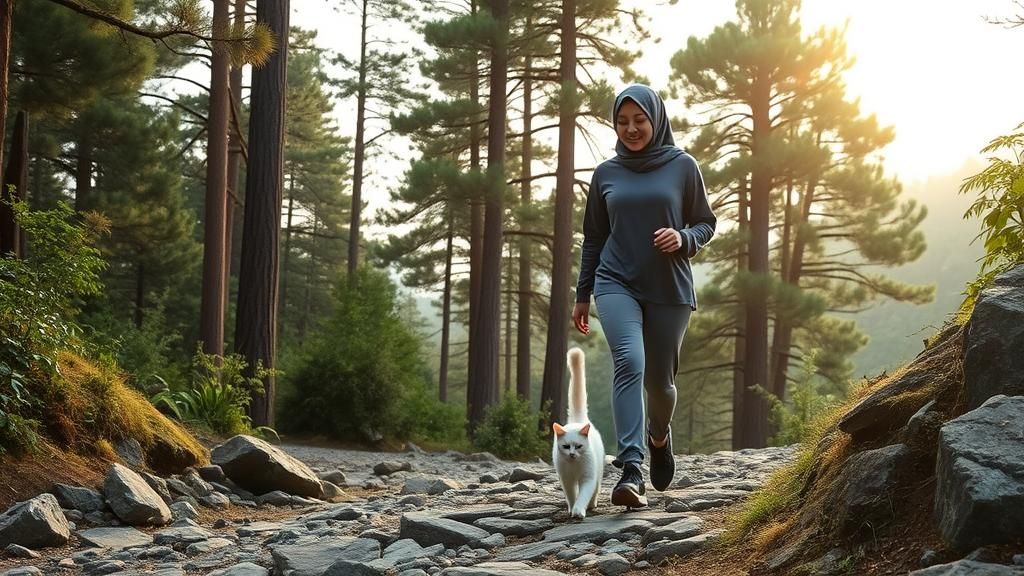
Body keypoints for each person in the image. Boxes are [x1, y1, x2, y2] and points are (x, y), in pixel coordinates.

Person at [572, 84, 716, 508]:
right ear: (615, 124)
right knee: (629, 363)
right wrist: (583, 293)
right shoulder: (606, 173)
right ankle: (631, 467)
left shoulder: (683, 166)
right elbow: (594, 238)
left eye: (639, 120)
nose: (631, 128)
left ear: (656, 119)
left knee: (661, 384)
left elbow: (705, 222)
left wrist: (684, 237)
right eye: (622, 121)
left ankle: (658, 436)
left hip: (669, 287)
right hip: (615, 281)